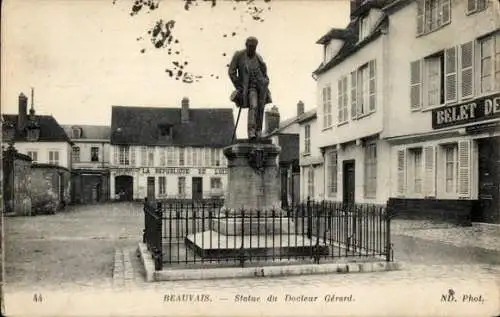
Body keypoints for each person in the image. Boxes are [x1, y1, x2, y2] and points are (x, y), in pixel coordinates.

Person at [228, 37, 272, 140]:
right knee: (254, 106)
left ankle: (259, 132)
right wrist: (239, 86)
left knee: (261, 108)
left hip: (261, 85)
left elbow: (264, 71)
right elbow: (231, 72)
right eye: (250, 47)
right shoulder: (239, 55)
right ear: (246, 45)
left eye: (254, 47)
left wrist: (266, 80)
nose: (252, 49)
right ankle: (251, 132)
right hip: (250, 87)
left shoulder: (258, 57)